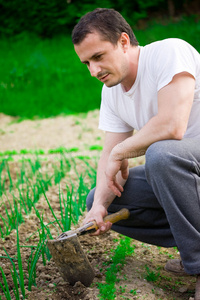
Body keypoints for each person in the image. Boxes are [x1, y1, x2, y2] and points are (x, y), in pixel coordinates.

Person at [72, 8, 200, 298]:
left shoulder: (169, 52)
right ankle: (193, 243)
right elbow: (109, 154)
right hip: (190, 178)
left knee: (163, 155)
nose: (93, 71)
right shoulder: (113, 92)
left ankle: (198, 262)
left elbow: (172, 124)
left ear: (124, 42)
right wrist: (98, 209)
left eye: (98, 57)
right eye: (86, 63)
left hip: (190, 162)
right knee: (103, 196)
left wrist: (122, 151)